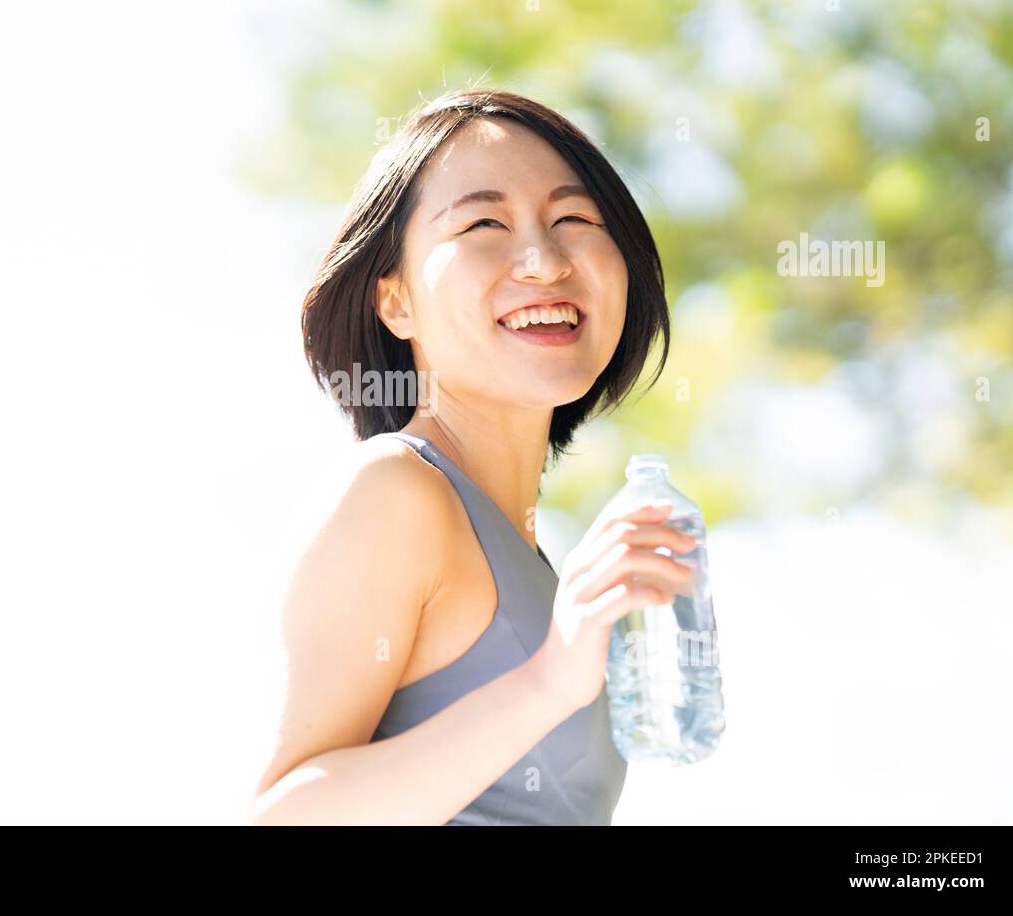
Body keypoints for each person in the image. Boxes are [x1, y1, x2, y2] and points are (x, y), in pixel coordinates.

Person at [249, 88, 694, 825]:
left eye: (575, 219)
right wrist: (548, 680)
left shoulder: (537, 562)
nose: (544, 261)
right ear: (394, 302)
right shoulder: (394, 490)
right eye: (484, 221)